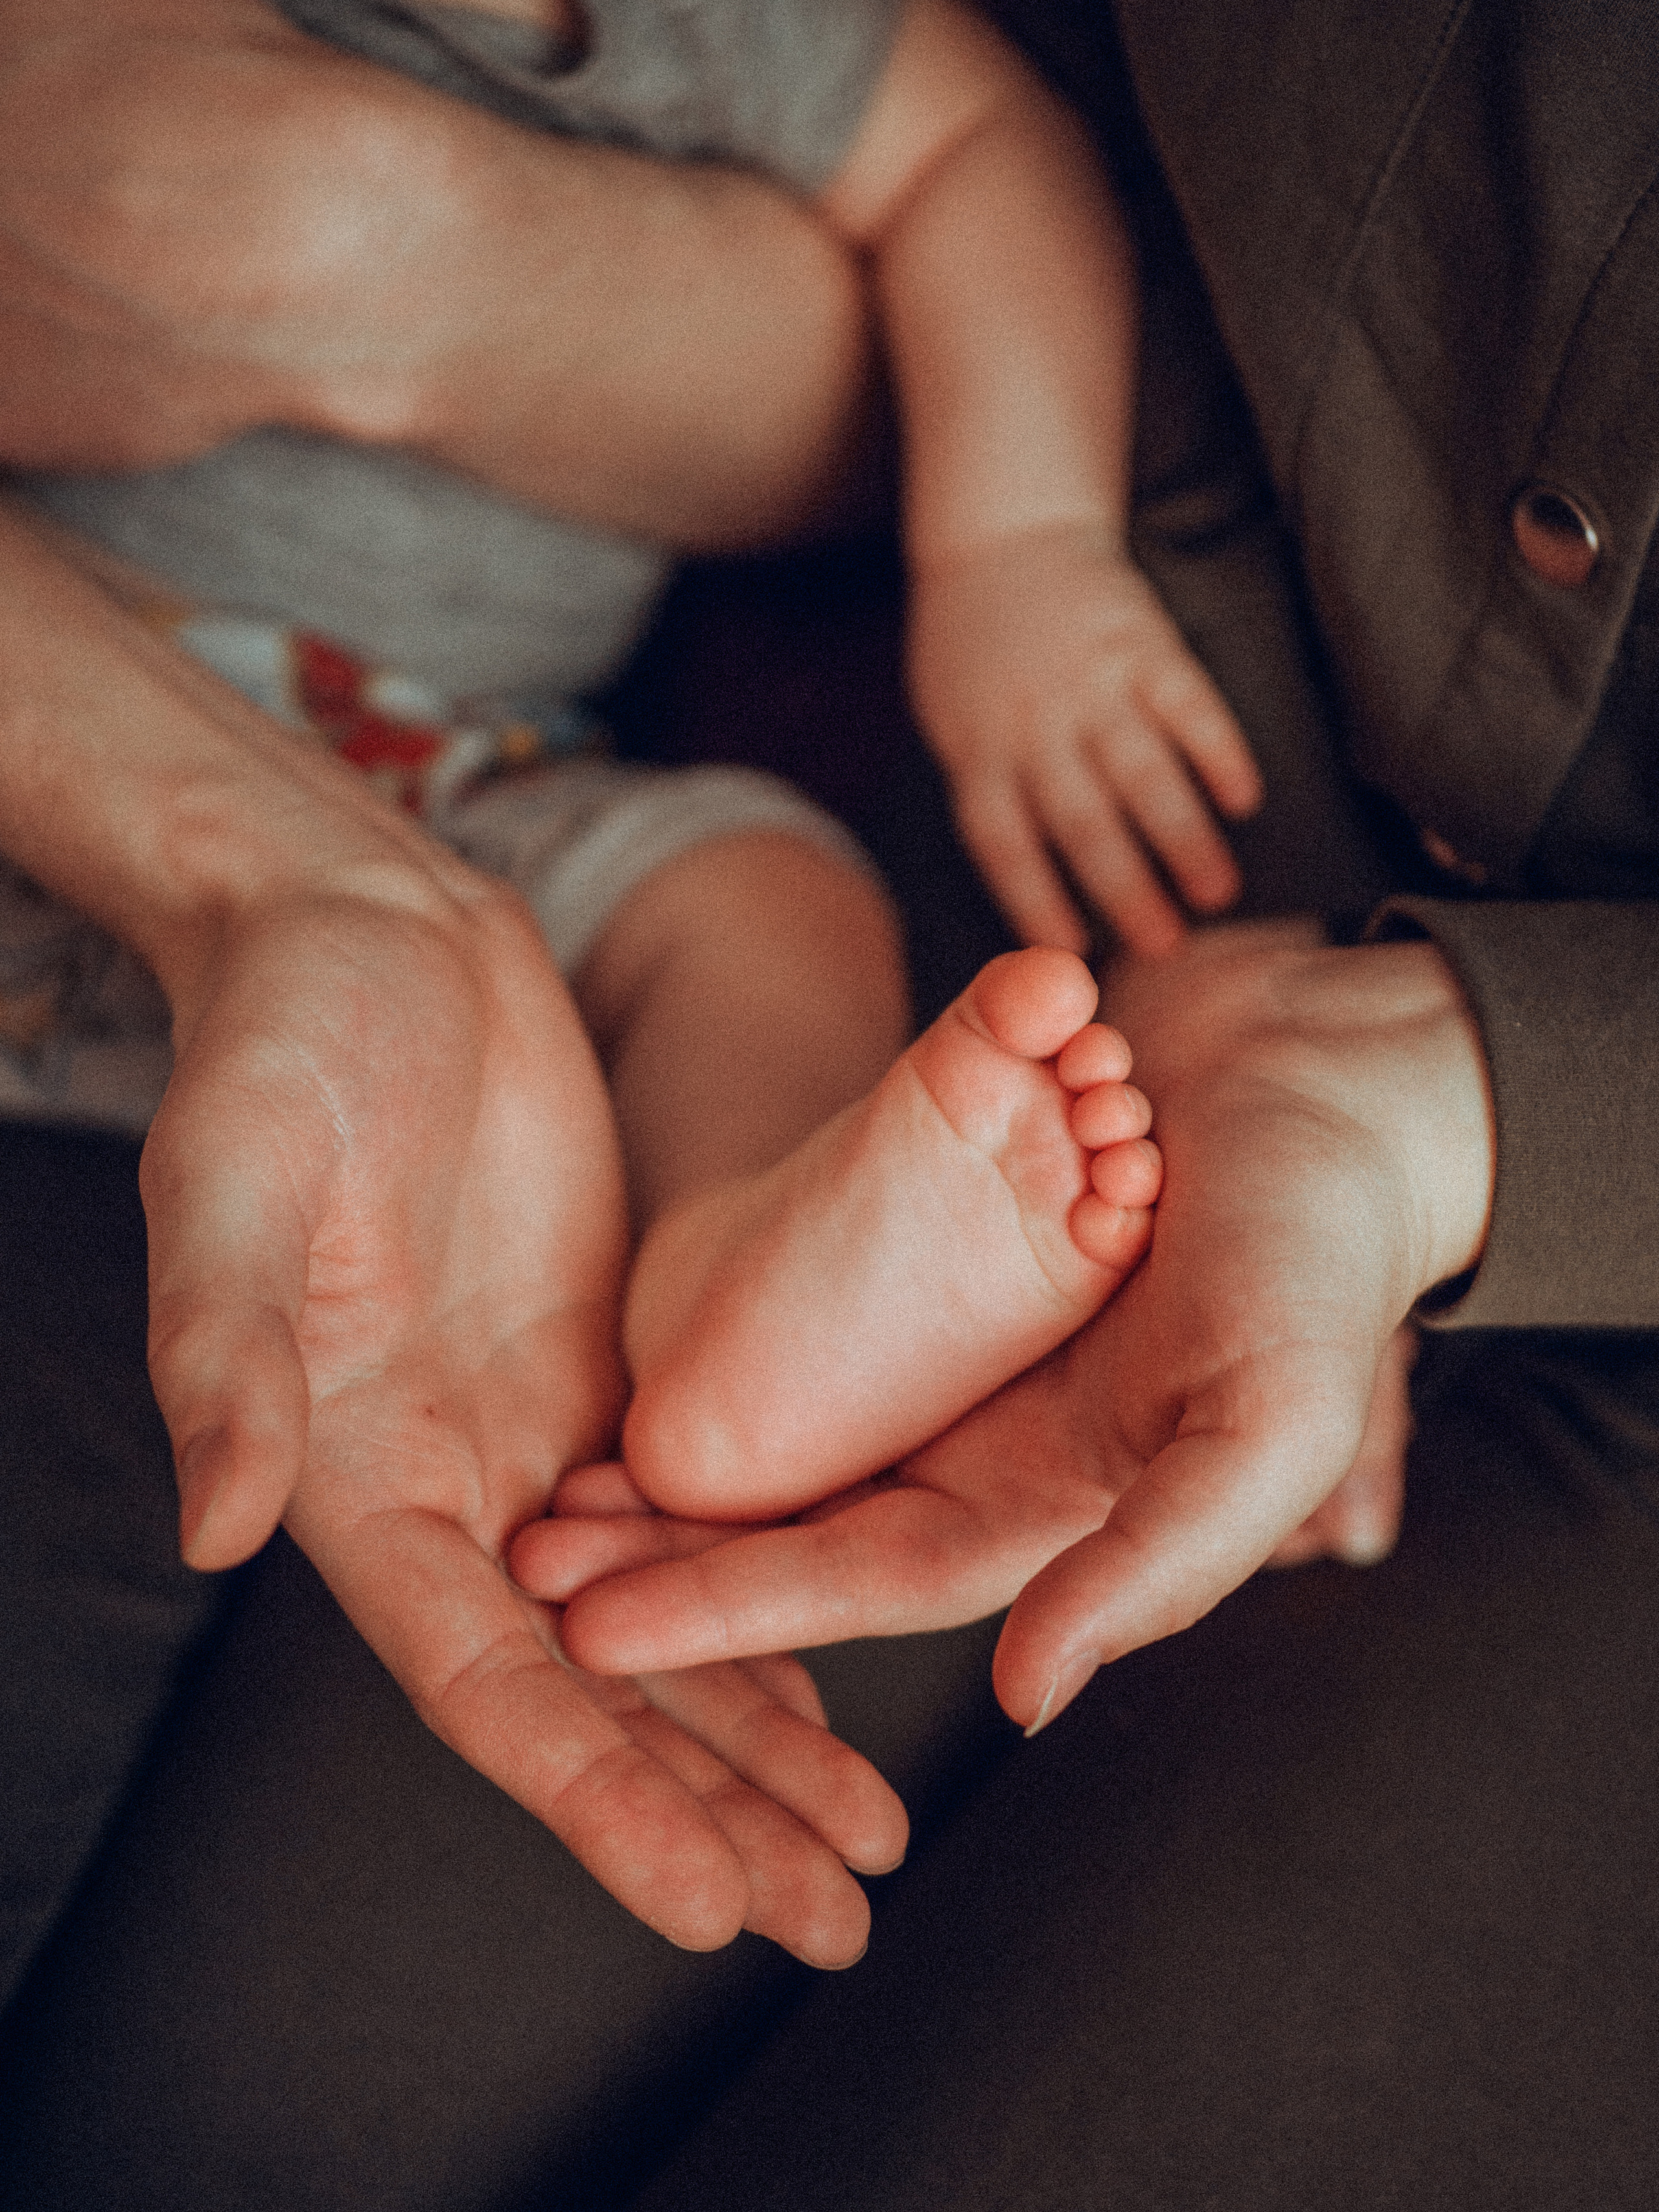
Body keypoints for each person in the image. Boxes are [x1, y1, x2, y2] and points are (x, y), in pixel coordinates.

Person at [6, 4, 1659, 2210]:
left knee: (750, 892)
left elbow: (968, 153)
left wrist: (1014, 553)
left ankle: (730, 1293)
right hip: (176, 777)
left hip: (448, 789)